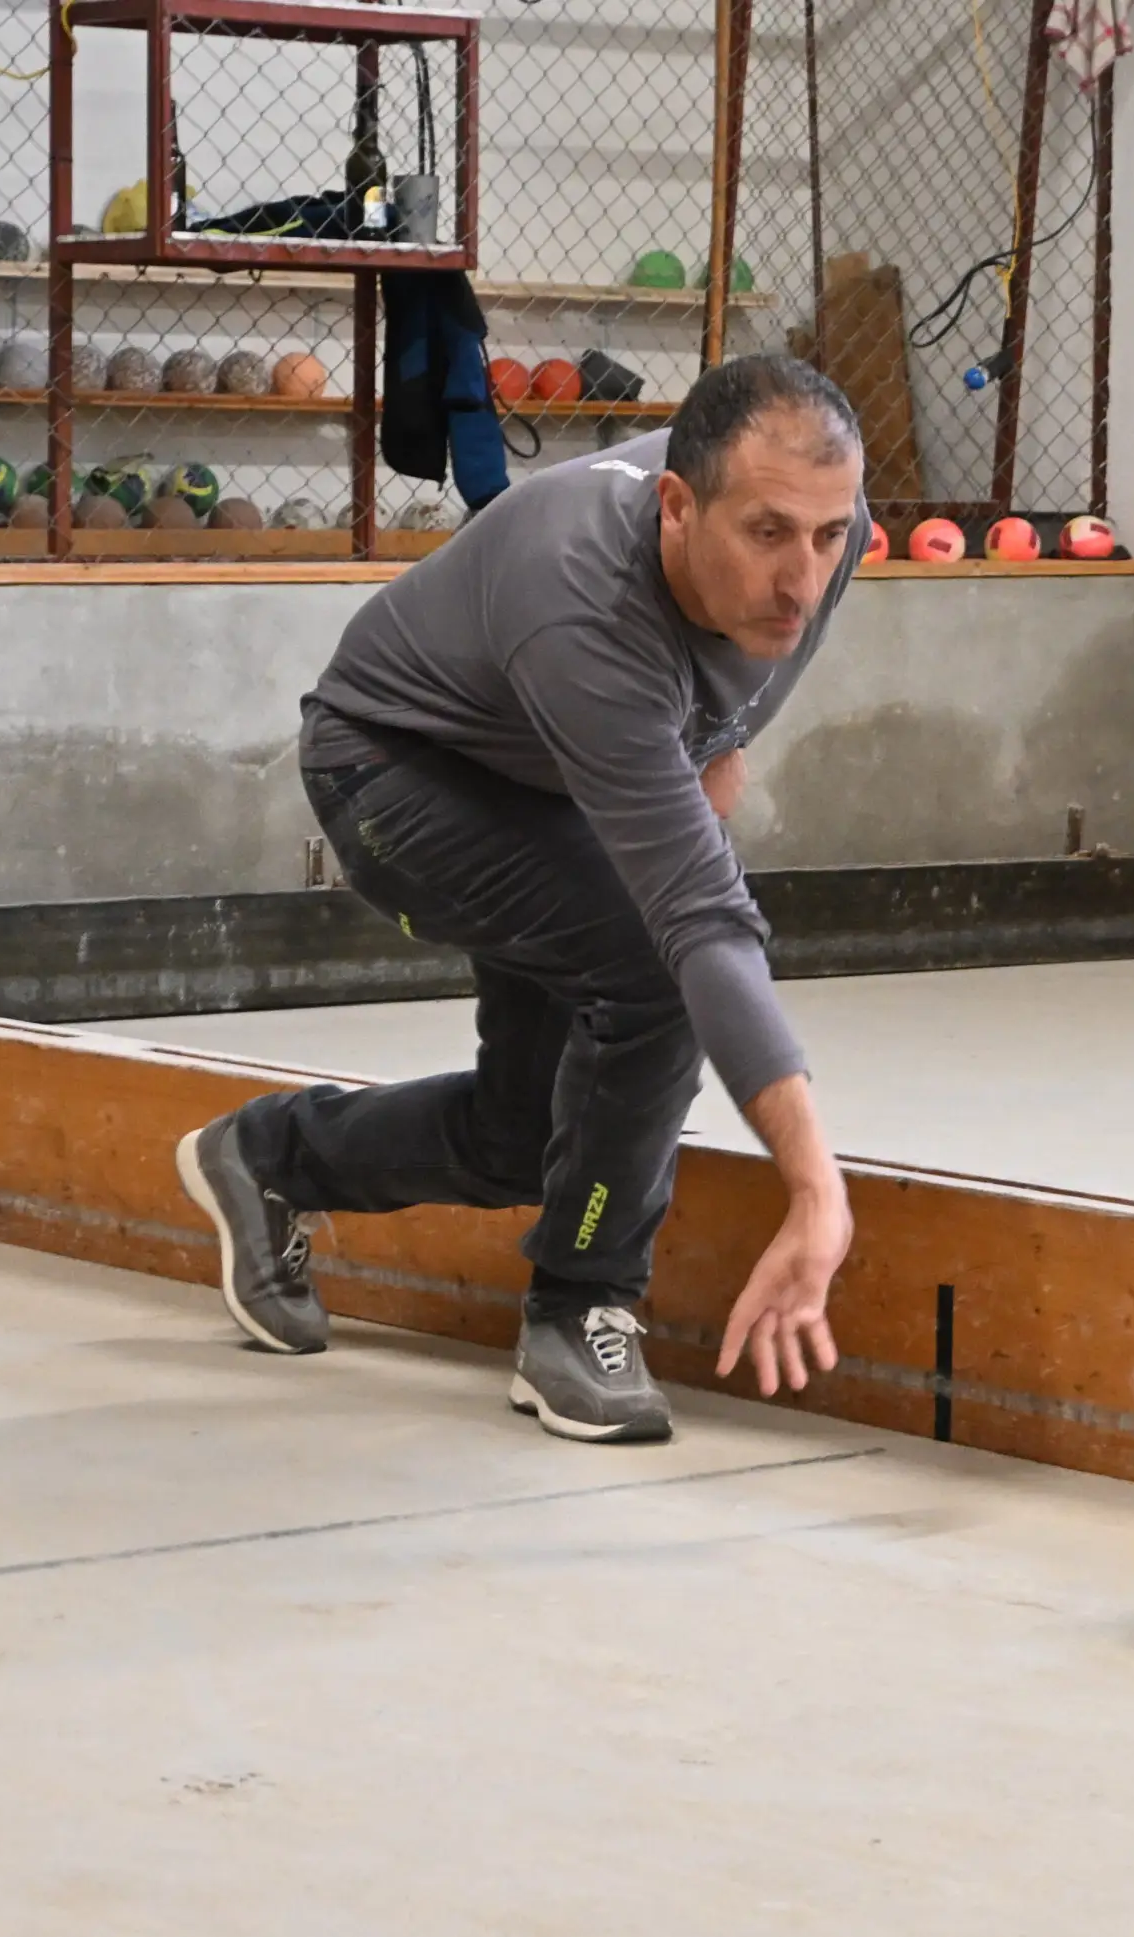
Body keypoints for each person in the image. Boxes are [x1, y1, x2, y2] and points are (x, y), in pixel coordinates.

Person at [175, 355, 870, 1443]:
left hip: (546, 778)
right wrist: (815, 1187)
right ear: (678, 507)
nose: (804, 579)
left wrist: (711, 746)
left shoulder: (832, 523)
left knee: (528, 1132)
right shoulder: (580, 601)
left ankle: (271, 1157)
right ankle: (581, 1307)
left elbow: (727, 696)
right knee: (655, 967)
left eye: (828, 536)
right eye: (769, 534)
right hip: (392, 769)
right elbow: (698, 918)